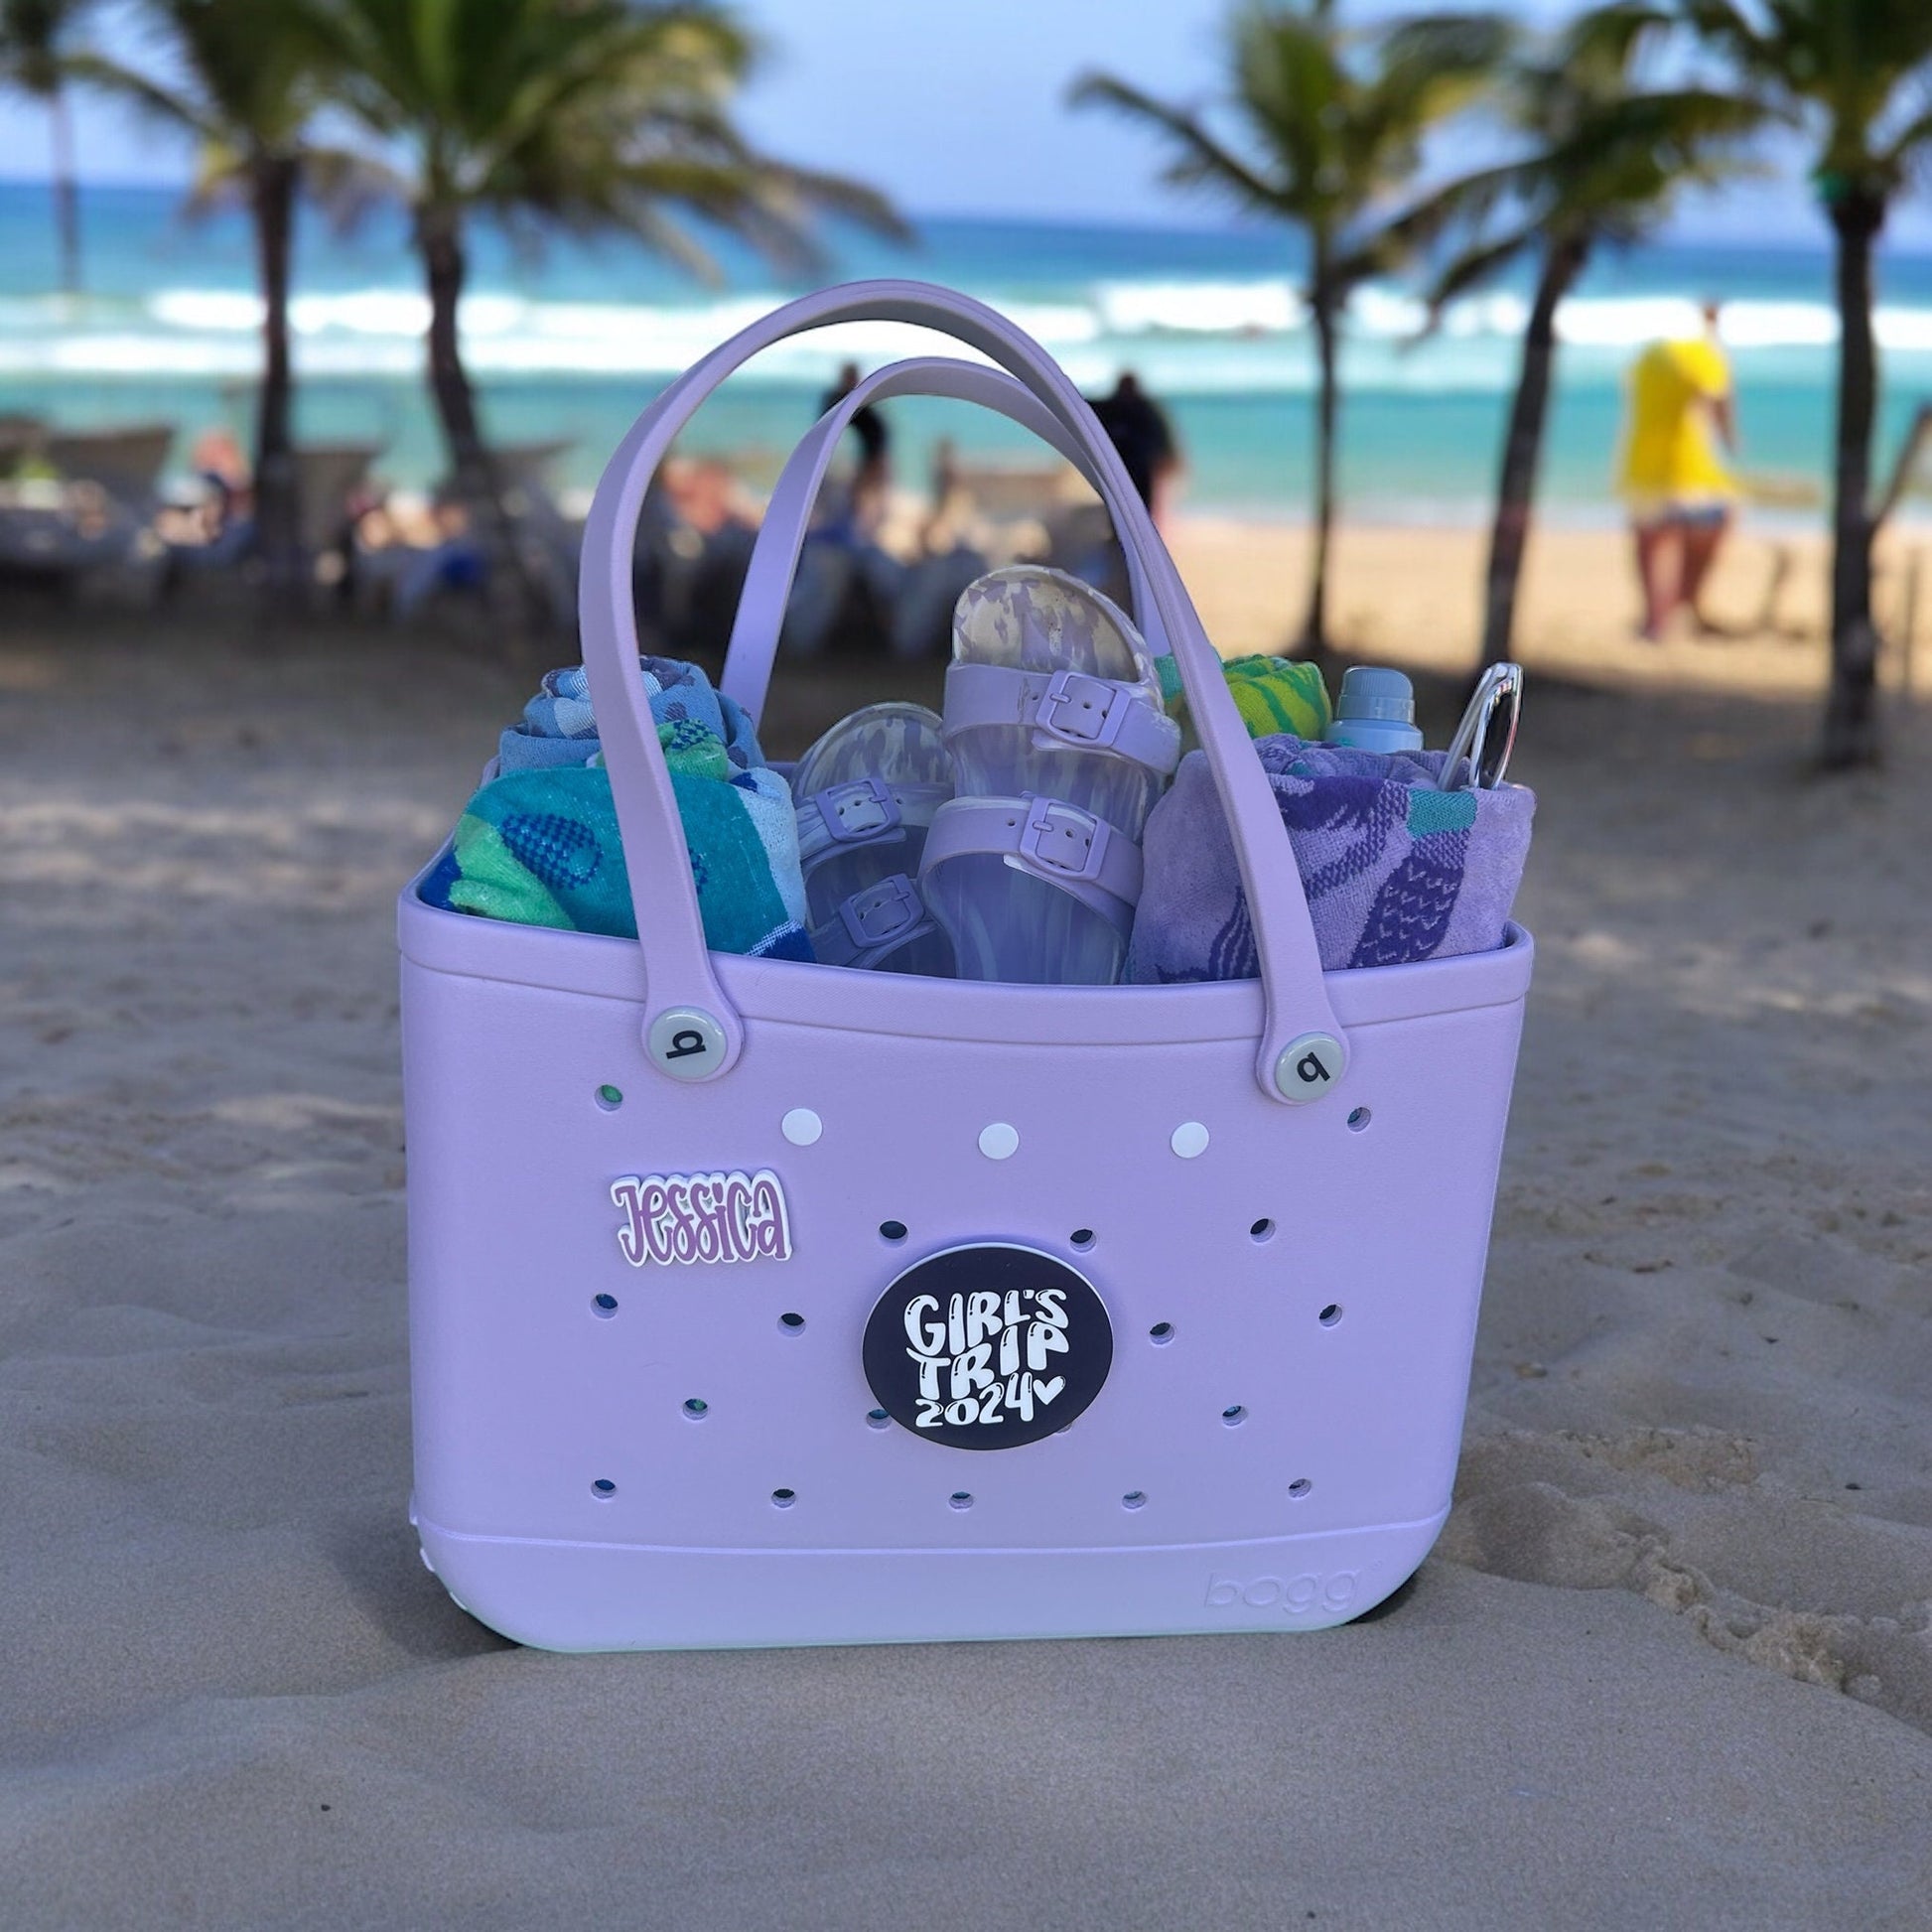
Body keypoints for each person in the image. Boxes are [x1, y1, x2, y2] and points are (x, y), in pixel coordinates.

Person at [1616, 301, 1738, 640]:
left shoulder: (1648, 356)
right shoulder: (1704, 355)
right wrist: (1730, 442)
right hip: (1685, 471)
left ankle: (1655, 618)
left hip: (1640, 466)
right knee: (1712, 523)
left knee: (1650, 541)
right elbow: (1719, 403)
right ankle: (1683, 603)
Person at [1090, 371, 1179, 524]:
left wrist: (1168, 460)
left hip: (1140, 468)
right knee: (1117, 509)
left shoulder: (1145, 410)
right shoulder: (1112, 408)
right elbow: (1085, 409)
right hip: (1118, 468)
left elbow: (1161, 439)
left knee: (1143, 510)